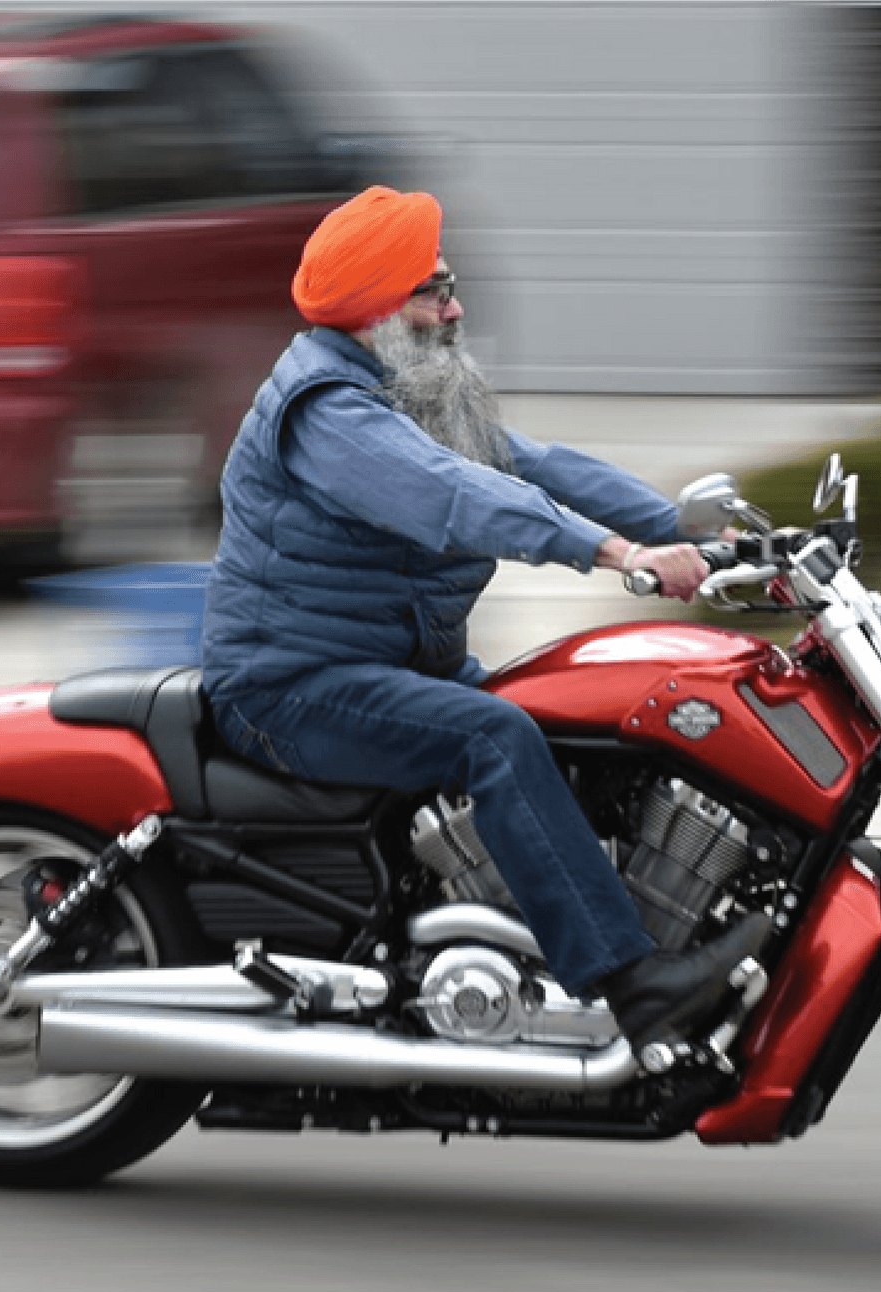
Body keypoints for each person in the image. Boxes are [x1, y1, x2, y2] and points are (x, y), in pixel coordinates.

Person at [200, 186, 762, 1058]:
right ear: (374, 307)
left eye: (450, 284)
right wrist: (613, 556)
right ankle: (633, 983)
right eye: (432, 290)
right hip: (291, 685)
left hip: (390, 665)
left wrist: (693, 534)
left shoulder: (402, 391)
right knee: (493, 738)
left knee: (579, 713)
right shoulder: (327, 412)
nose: (455, 306)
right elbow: (452, 497)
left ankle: (530, 923)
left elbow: (537, 464)